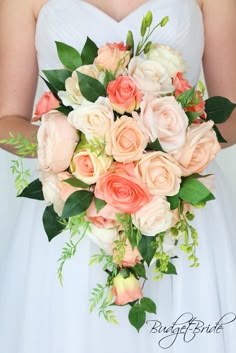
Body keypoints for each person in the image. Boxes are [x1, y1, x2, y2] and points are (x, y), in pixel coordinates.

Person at [0, 0, 236, 352]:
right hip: (72, 210)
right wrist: (81, 145)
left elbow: (230, 111)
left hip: (179, 198)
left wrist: (165, 145)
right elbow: (7, 123)